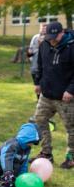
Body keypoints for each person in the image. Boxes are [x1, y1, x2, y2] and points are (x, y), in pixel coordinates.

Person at [31, 21, 74, 169]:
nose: (52, 40)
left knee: (71, 127)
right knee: (39, 120)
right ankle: (46, 153)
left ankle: (71, 156)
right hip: (47, 94)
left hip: (66, 97)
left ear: (62, 33)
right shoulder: (45, 44)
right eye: (49, 37)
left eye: (54, 37)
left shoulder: (72, 47)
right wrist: (37, 82)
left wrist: (71, 90)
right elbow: (40, 65)